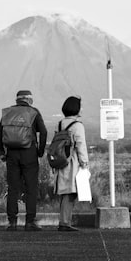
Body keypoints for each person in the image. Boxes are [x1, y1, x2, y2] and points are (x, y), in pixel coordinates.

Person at [0, 90, 48, 231]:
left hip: (12, 155)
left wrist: (2, 152)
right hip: (29, 154)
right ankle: (29, 221)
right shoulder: (33, 112)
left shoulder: (8, 113)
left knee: (13, 188)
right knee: (31, 188)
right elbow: (43, 132)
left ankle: (12, 222)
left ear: (17, 100)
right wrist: (40, 151)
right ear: (29, 100)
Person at [54, 96, 89, 232]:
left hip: (61, 161)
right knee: (70, 192)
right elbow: (81, 145)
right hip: (72, 162)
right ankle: (64, 223)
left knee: (64, 192)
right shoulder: (77, 126)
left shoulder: (60, 123)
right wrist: (84, 163)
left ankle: (64, 221)